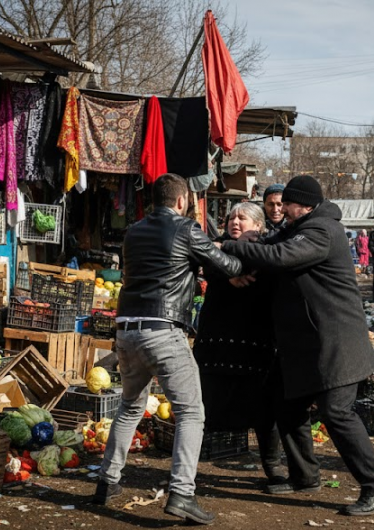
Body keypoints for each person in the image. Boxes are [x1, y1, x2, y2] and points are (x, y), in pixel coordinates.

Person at [222, 175, 374, 517]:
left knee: (337, 413)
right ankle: (306, 476)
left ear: (305, 205)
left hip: (336, 343)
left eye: (287, 203)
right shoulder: (300, 226)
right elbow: (273, 242)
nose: (281, 208)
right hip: (306, 346)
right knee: (286, 407)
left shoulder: (321, 231)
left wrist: (231, 246)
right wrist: (248, 239)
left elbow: (282, 255)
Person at [94, 174, 242, 525]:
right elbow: (229, 268)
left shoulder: (134, 232)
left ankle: (106, 482)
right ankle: (182, 494)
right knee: (191, 413)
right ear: (181, 201)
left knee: (129, 407)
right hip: (163, 332)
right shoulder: (187, 229)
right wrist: (226, 255)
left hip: (126, 331)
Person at [194, 202, 290, 487]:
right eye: (231, 217)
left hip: (256, 340)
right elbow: (203, 259)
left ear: (258, 226)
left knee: (264, 408)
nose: (235, 221)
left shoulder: (269, 249)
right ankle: (188, 470)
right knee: (205, 405)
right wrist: (227, 269)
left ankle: (273, 465)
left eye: (243, 218)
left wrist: (249, 251)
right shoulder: (216, 248)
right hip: (218, 339)